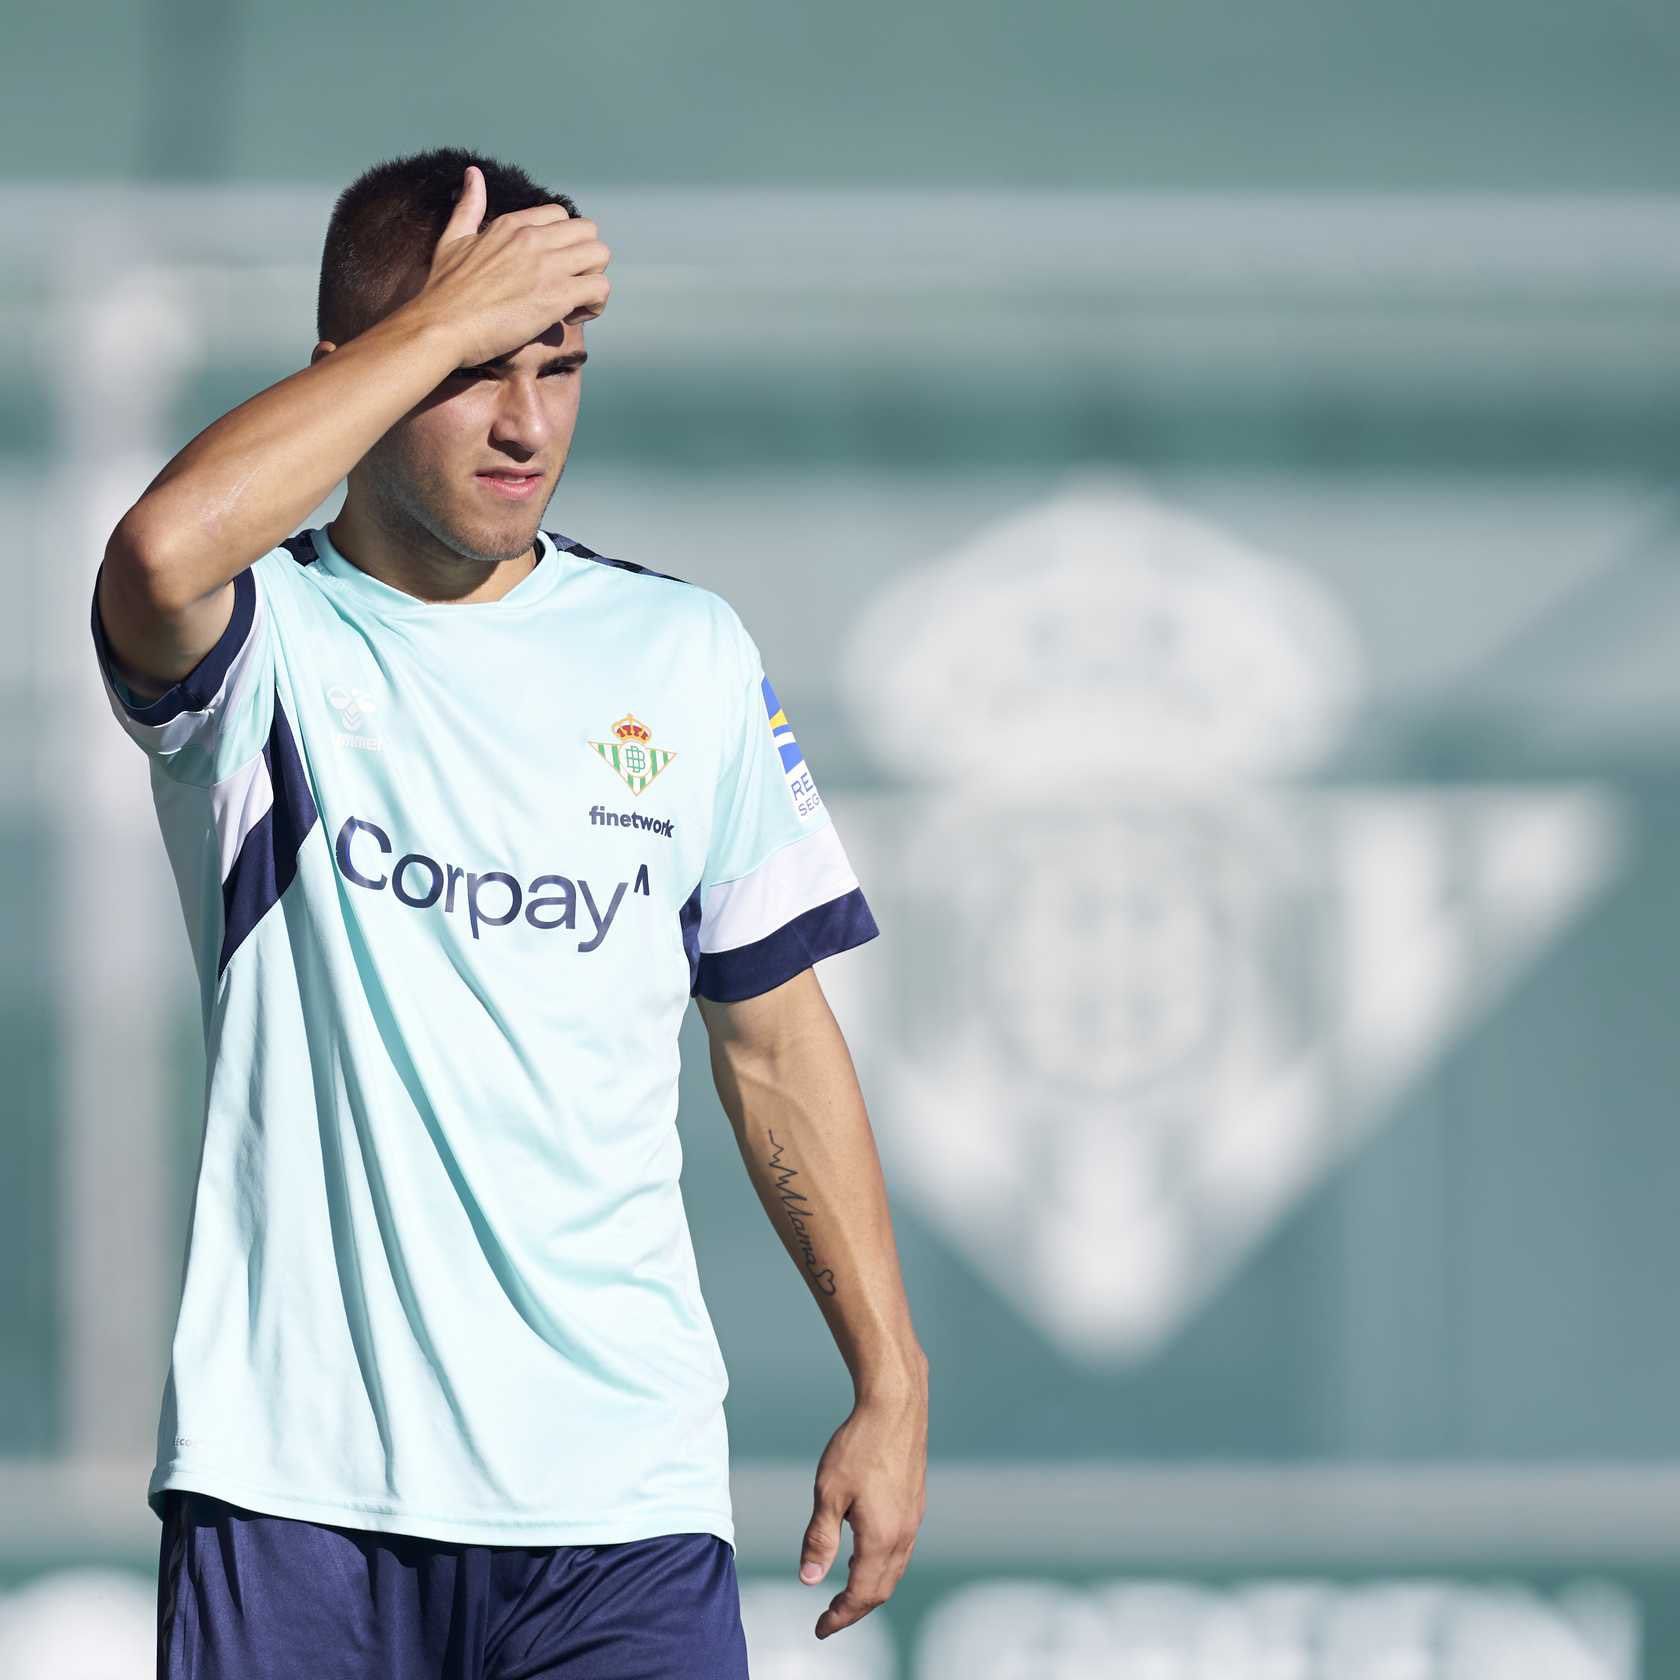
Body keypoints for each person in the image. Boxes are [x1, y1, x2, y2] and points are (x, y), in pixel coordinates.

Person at [89, 145, 928, 1678]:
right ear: (355, 374)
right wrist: (432, 325)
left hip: (619, 1516)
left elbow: (771, 1040)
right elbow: (155, 552)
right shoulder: (264, 641)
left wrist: (890, 1377)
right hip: (295, 1506)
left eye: (562, 366)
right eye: (479, 369)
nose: (529, 422)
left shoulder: (680, 654)